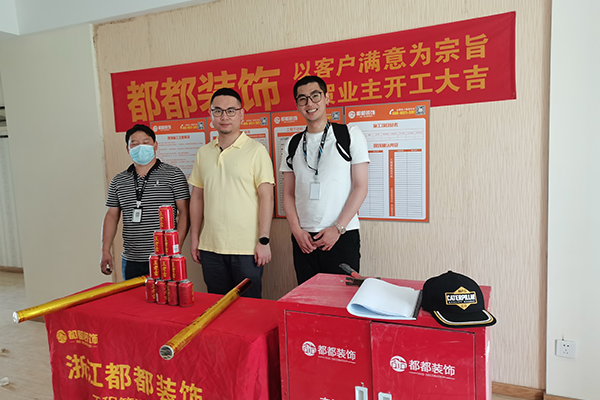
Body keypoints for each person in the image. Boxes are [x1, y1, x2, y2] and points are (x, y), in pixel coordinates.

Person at [280, 76, 370, 285]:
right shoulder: (293, 143)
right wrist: (296, 231)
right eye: (302, 99)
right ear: (297, 105)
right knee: (307, 298)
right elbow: (288, 194)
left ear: (326, 98)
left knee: (342, 299)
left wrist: (337, 228)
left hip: (342, 235)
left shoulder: (349, 134)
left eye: (315, 96)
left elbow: (361, 187)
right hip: (304, 239)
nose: (309, 103)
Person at [188, 88, 274, 299]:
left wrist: (264, 241)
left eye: (230, 111)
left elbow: (267, 197)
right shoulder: (203, 152)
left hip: (247, 249)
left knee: (249, 307)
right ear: (211, 115)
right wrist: (195, 238)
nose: (224, 117)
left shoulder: (256, 151)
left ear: (241, 114)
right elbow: (197, 197)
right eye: (218, 111)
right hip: (210, 248)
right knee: (216, 305)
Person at [100, 124, 190, 280]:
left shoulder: (173, 174)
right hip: (131, 258)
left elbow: (185, 212)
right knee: (133, 296)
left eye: (146, 142)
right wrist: (105, 250)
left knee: (165, 294)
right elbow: (112, 216)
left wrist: (175, 248)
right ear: (128, 149)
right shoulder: (118, 181)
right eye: (134, 143)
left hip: (164, 257)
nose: (140, 147)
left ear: (155, 145)